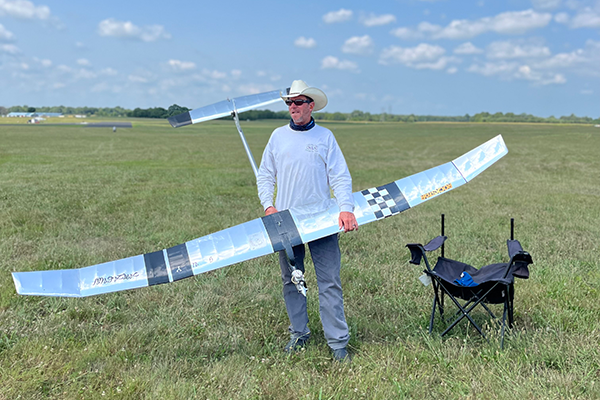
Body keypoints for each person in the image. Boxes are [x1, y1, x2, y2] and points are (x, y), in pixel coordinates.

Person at [256, 80, 358, 362]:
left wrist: (346, 208)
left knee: (329, 282)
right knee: (291, 281)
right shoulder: (277, 136)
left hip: (323, 221)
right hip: (287, 223)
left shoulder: (325, 137)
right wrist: (269, 206)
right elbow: (265, 174)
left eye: (298, 102)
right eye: (289, 103)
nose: (293, 108)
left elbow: (340, 176)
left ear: (311, 106)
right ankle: (299, 334)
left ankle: (338, 343)